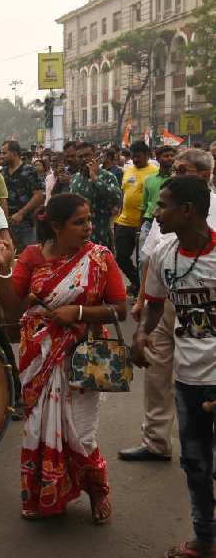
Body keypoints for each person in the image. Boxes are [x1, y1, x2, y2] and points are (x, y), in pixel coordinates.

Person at [0, 193, 126, 522]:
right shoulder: (33, 257)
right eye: (79, 222)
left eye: (89, 220)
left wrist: (78, 311)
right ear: (56, 226)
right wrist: (5, 270)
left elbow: (119, 309)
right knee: (39, 427)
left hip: (83, 358)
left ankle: (97, 491)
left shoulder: (100, 257)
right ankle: (46, 495)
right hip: (39, 358)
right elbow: (11, 308)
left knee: (81, 433)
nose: (88, 227)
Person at [134, 176, 216, 558]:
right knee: (195, 464)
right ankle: (206, 539)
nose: (156, 212)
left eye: (163, 205)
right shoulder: (164, 254)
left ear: (188, 210)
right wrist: (141, 336)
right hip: (188, 380)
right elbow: (154, 304)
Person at [121, 149, 216, 463]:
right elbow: (151, 256)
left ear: (203, 174)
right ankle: (156, 441)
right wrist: (142, 302)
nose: (174, 173)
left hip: (206, 303)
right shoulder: (168, 209)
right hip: (167, 298)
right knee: (157, 370)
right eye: (174, 168)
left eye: (182, 169)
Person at [114, 140, 159, 295]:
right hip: (124, 222)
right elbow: (123, 191)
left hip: (144, 223)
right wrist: (119, 210)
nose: (135, 160)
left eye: (138, 156)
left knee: (143, 261)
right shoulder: (128, 170)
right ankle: (137, 283)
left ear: (147, 155)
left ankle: (142, 291)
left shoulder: (155, 171)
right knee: (120, 257)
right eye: (133, 157)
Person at [68, 141, 122, 250]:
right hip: (78, 239)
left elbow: (117, 198)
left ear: (94, 156)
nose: (84, 159)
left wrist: (95, 178)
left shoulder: (107, 176)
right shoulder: (74, 178)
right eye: (80, 157)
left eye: (87, 155)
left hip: (100, 236)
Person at [1, 140, 44, 251]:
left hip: (25, 224)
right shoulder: (3, 172)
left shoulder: (29, 171)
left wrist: (21, 213)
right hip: (7, 224)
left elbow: (39, 196)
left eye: (4, 153)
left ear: (14, 153)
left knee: (30, 255)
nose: (2, 156)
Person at [138, 145, 176, 260]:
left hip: (170, 222)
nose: (169, 158)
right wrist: (139, 227)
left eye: (172, 155)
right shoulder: (149, 180)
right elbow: (144, 205)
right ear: (158, 159)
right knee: (144, 259)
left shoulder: (178, 180)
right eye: (166, 156)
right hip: (149, 222)